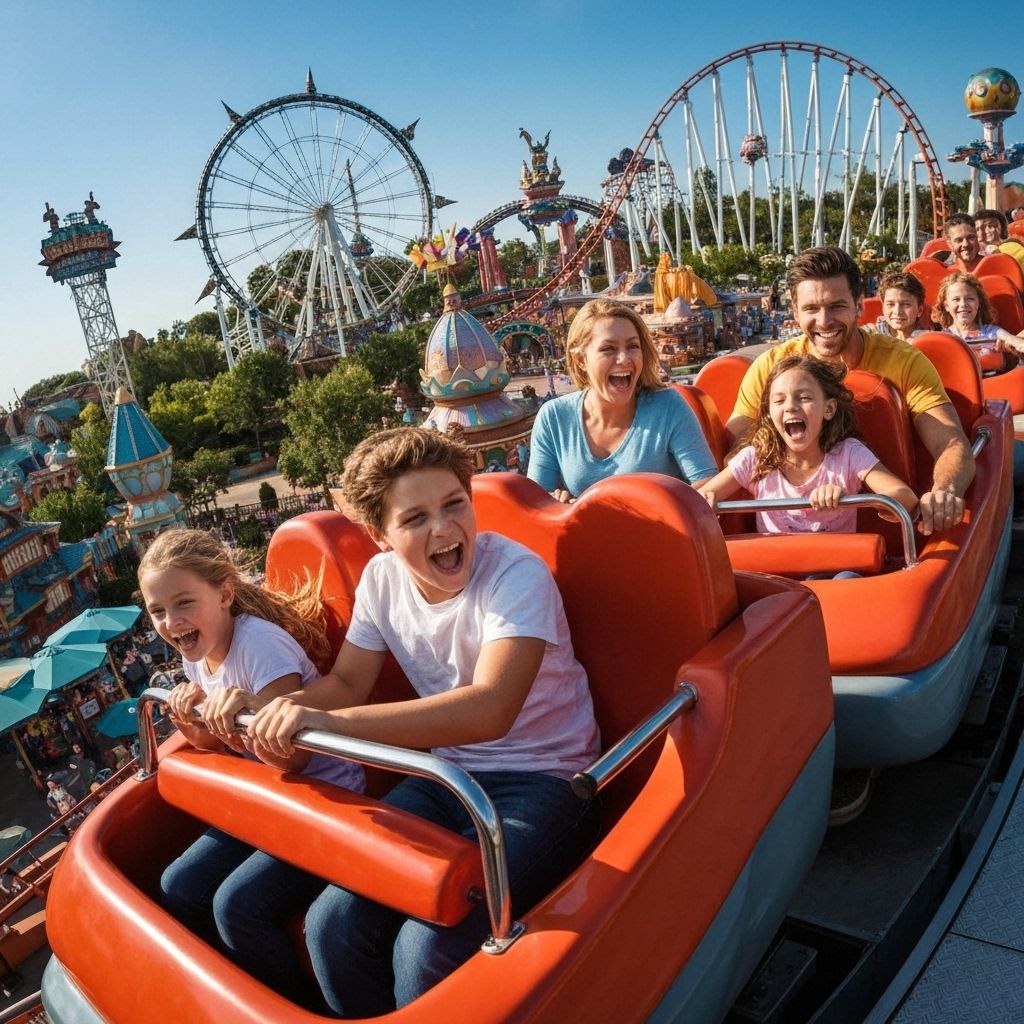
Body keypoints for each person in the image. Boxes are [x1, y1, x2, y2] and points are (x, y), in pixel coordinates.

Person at [225, 427, 601, 1016]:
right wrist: (270, 709)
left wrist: (334, 725)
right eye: (416, 518)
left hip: (546, 780)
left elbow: (491, 707)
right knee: (331, 926)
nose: (444, 529)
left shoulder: (514, 575)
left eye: (454, 505)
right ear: (380, 536)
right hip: (446, 778)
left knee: (423, 950)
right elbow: (346, 684)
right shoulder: (381, 582)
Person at [137, 528, 365, 1010]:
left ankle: (291, 1007)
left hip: (323, 798)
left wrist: (246, 717)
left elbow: (293, 757)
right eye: (158, 611)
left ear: (224, 594)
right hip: (269, 797)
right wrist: (191, 720)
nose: (171, 622)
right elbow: (215, 744)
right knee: (179, 884)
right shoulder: (197, 653)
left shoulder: (260, 647)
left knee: (237, 906)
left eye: (184, 603)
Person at [726, 246, 974, 536]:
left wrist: (944, 492)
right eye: (811, 309)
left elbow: (950, 442)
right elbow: (736, 450)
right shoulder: (771, 367)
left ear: (859, 305)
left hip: (894, 529)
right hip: (783, 537)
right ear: (794, 310)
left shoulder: (905, 362)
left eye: (836, 306)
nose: (824, 321)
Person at [700, 356, 917, 535]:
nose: (790, 407)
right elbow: (700, 498)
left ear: (828, 409)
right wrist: (706, 503)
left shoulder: (849, 454)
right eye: (779, 401)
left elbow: (905, 498)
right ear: (769, 412)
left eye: (803, 398)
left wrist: (849, 499)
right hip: (775, 569)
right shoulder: (755, 459)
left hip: (836, 567)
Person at [527, 298, 718, 502]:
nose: (624, 358)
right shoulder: (554, 418)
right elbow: (534, 503)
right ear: (581, 360)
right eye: (608, 349)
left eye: (632, 346)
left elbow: (707, 486)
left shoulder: (668, 407)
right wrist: (557, 504)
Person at [932, 272, 1023, 368]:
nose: (963, 304)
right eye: (956, 299)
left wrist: (1013, 346)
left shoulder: (991, 333)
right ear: (946, 306)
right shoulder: (943, 337)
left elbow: (1013, 341)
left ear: (978, 303)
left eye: (970, 299)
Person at [874, 270, 928, 341]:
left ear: (919, 311)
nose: (897, 311)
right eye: (890, 304)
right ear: (883, 308)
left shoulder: (927, 340)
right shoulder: (872, 335)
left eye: (906, 304)